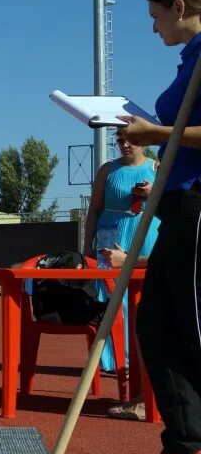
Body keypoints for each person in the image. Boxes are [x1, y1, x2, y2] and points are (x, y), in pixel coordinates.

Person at [117, 0, 201, 454]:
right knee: (155, 327)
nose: (152, 29)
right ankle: (187, 443)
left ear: (179, 3)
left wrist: (158, 131)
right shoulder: (189, 57)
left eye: (153, 18)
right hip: (176, 205)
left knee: (196, 338)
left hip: (199, 207)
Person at [81, 136, 161, 373]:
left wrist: (152, 192)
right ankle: (113, 358)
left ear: (144, 141)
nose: (125, 144)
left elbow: (169, 203)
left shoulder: (156, 167)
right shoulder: (108, 170)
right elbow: (94, 209)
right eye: (120, 140)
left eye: (131, 140)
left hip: (147, 233)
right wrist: (87, 247)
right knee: (111, 296)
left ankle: (144, 357)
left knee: (147, 296)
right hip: (112, 233)